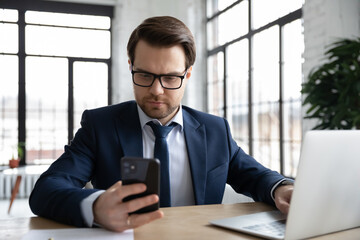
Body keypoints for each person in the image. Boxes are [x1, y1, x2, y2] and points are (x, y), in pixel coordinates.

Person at [29, 16, 293, 232]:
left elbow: (255, 175)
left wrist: (282, 187)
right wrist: (96, 207)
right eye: (144, 74)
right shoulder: (101, 126)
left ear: (188, 73)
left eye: (169, 77)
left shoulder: (215, 130)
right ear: (131, 67)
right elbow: (47, 190)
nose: (156, 90)